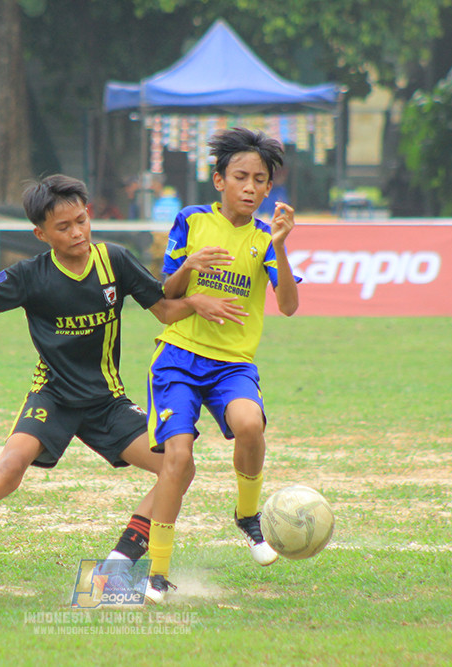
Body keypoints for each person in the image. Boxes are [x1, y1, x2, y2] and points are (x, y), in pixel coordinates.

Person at [0, 174, 245, 609]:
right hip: (53, 396)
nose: (77, 232)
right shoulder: (29, 276)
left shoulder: (115, 260)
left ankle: (115, 568)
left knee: (179, 465)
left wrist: (193, 297)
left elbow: (163, 310)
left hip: (106, 402)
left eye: (82, 220)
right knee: (9, 466)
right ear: (41, 234)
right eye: (64, 227)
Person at [143, 127, 300, 603]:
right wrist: (191, 274)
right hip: (178, 357)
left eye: (259, 179)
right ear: (219, 180)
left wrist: (282, 246)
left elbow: (289, 305)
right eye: (240, 177)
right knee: (179, 457)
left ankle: (248, 517)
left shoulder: (264, 237)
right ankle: (157, 571)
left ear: (269, 188)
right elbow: (164, 294)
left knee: (250, 424)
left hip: (232, 364)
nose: (250, 187)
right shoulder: (191, 220)